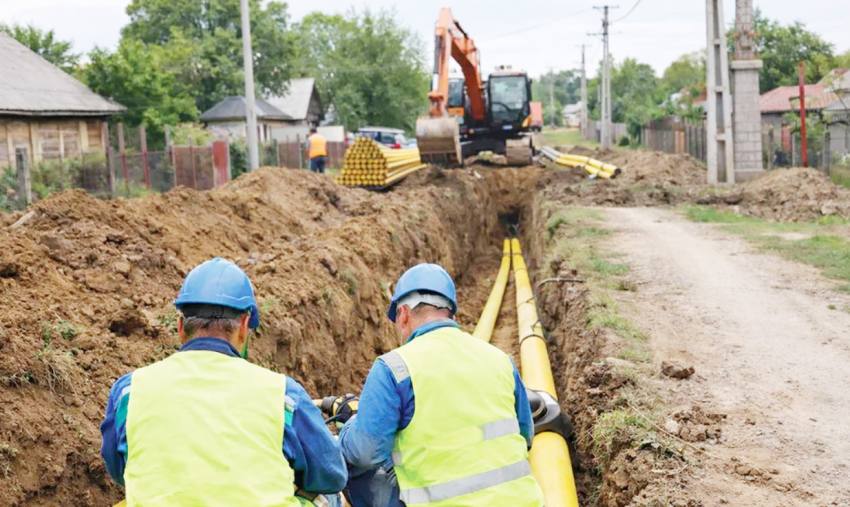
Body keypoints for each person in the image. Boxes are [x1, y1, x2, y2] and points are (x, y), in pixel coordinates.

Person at [100, 258, 347, 506]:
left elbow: (120, 471)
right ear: (243, 325)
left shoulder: (130, 391)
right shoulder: (283, 395)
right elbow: (331, 475)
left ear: (180, 326)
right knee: (326, 497)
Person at [338, 263, 544, 506]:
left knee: (357, 470)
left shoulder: (394, 368)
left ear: (403, 314)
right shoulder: (500, 360)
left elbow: (366, 452)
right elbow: (526, 436)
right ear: (451, 313)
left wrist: (348, 429)